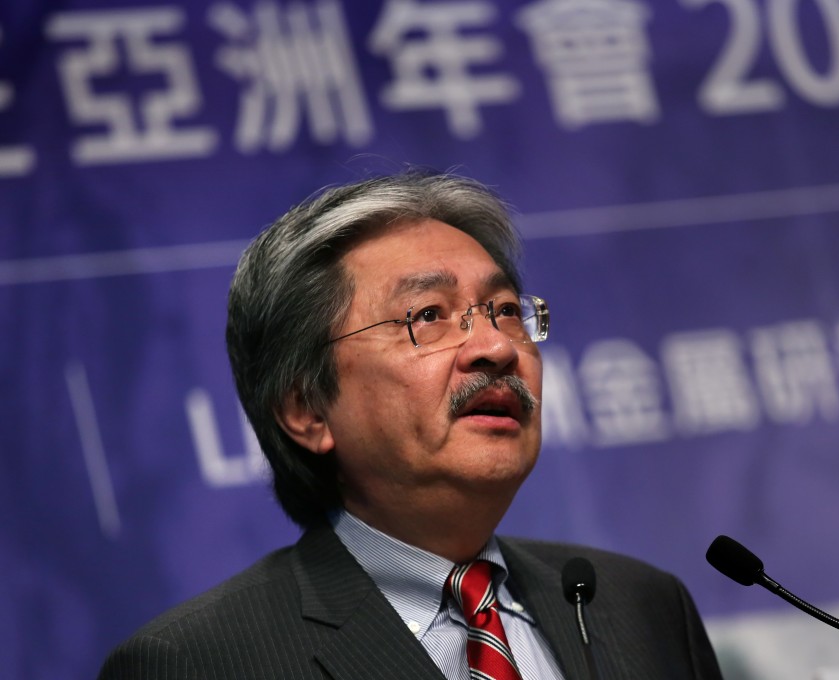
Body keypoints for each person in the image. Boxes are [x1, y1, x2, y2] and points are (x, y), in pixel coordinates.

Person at [98, 170, 723, 680]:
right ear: (307, 411)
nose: (496, 348)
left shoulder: (637, 605)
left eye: (505, 311)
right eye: (428, 315)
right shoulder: (197, 665)